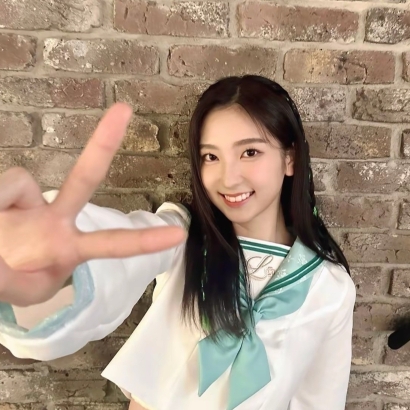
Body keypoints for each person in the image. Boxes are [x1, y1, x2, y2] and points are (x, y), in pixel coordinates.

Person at [0, 75, 356, 410]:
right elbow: (121, 258)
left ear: (290, 158)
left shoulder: (330, 287)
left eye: (250, 152)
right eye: (211, 157)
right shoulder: (181, 237)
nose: (229, 178)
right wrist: (52, 267)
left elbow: (320, 401)